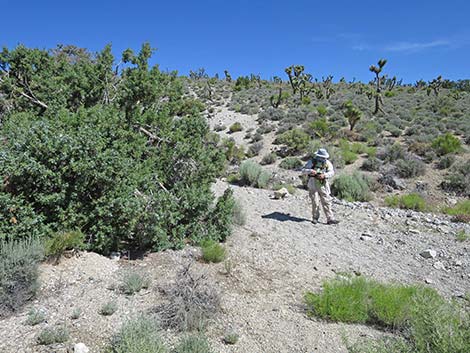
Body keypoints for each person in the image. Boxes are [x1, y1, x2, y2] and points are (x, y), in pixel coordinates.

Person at [301, 148, 339, 225]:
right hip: (313, 184)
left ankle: (330, 218)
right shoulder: (312, 162)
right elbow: (303, 170)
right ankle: (315, 218)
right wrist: (311, 171)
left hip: (323, 184)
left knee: (326, 201)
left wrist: (324, 175)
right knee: (315, 201)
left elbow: (331, 172)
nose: (322, 158)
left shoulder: (327, 163)